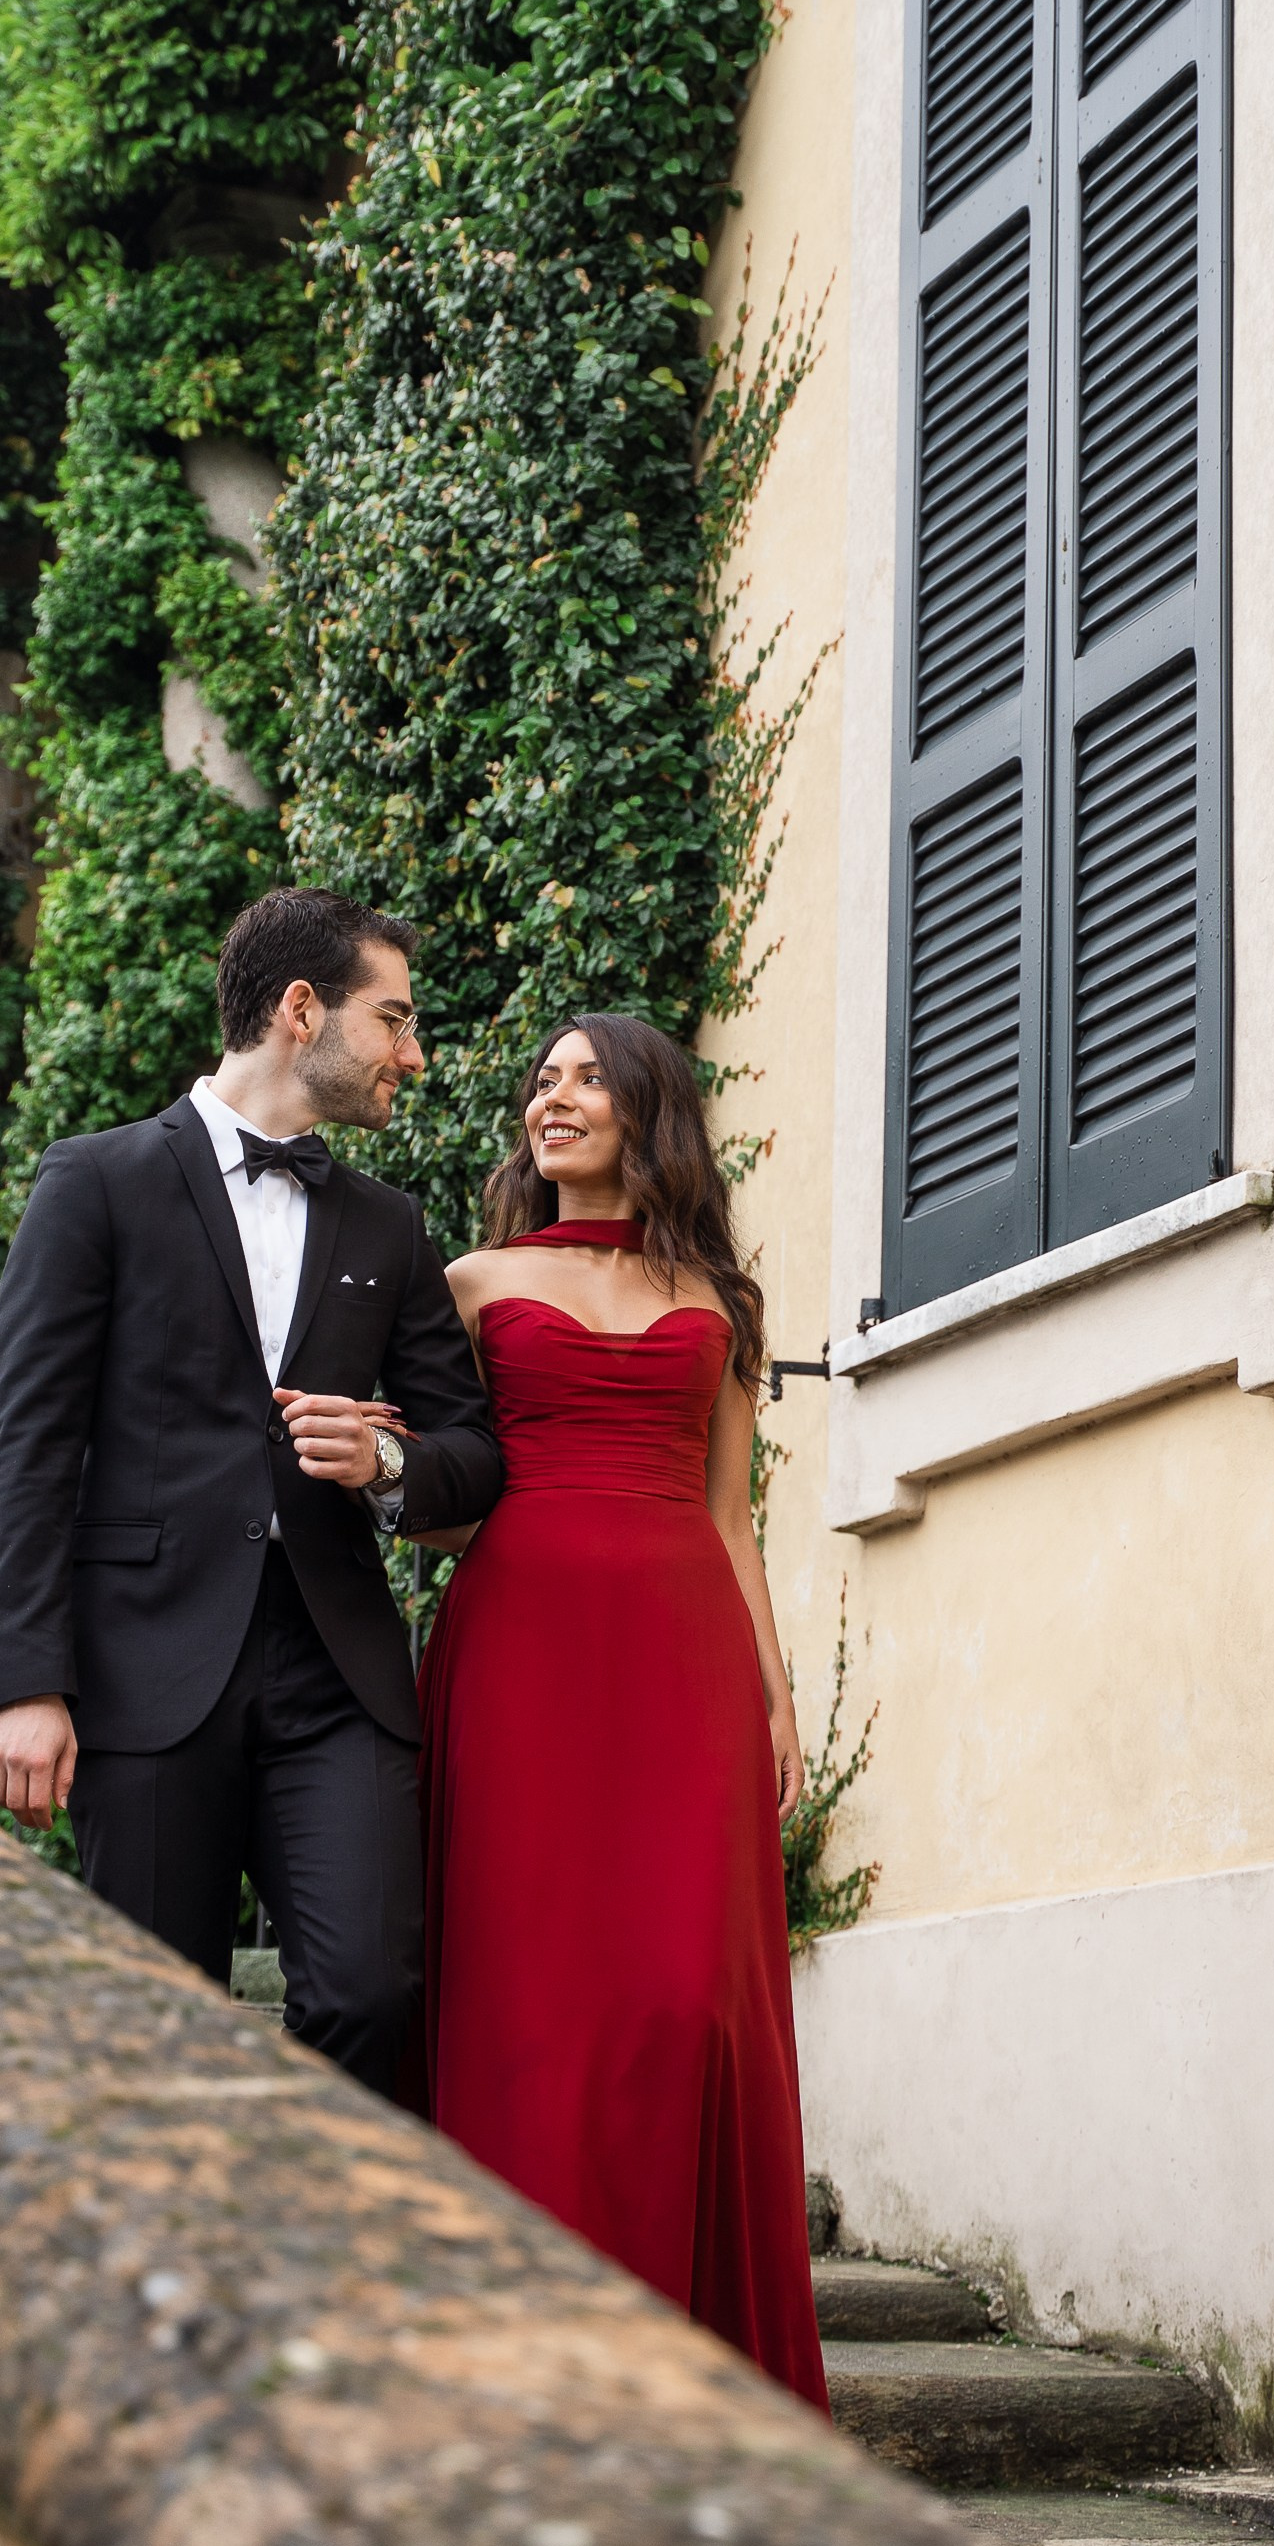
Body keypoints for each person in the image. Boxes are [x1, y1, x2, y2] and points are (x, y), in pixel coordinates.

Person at [0, 888, 502, 2101]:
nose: (411, 1057)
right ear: (301, 1009)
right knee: (154, 2030)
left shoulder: (390, 1225)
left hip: (337, 1674)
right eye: (394, 1020)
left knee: (371, 1991)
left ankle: (313, 2267)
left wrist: (389, 1466)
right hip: (142, 1674)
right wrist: (28, 1683)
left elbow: (472, 1451)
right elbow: (30, 1442)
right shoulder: (95, 1182)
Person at [417, 1013, 828, 2409]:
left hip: (682, 1664)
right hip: (520, 1652)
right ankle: (521, 2351)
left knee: (677, 1999)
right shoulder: (468, 1281)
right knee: (530, 1995)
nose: (556, 1097)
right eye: (542, 1079)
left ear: (649, 1110)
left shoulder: (720, 1300)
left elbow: (732, 1515)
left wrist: (771, 1696)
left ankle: (679, 2350)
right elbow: (438, 1487)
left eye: (588, 1076)